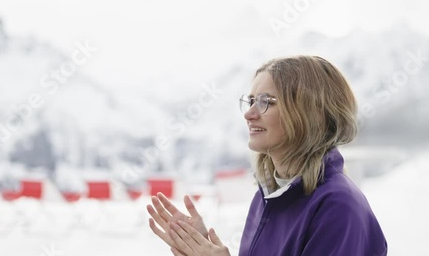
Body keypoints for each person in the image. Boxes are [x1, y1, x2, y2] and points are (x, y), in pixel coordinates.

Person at [146, 55, 387, 256]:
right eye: (250, 101)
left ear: (308, 113)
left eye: (266, 102)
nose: (249, 114)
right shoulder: (268, 197)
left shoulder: (338, 208)